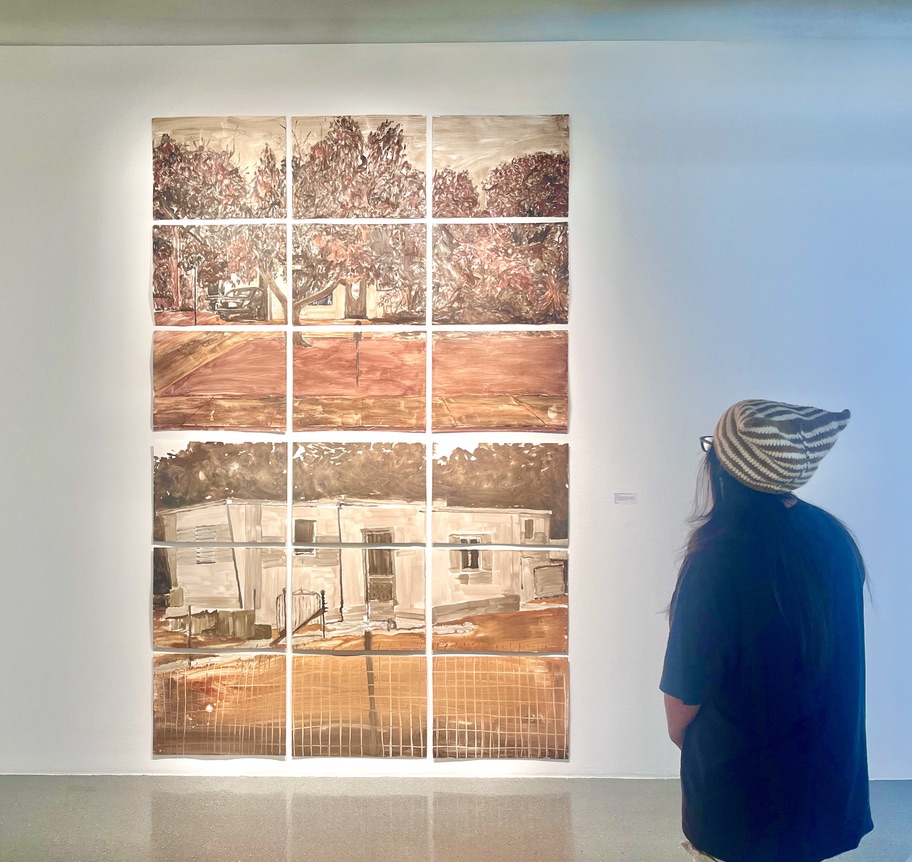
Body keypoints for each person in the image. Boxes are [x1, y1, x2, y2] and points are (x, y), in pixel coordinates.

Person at [660, 399, 873, 862]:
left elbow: (681, 707)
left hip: (739, 802)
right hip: (820, 794)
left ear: (725, 467)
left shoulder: (716, 555)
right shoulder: (833, 538)